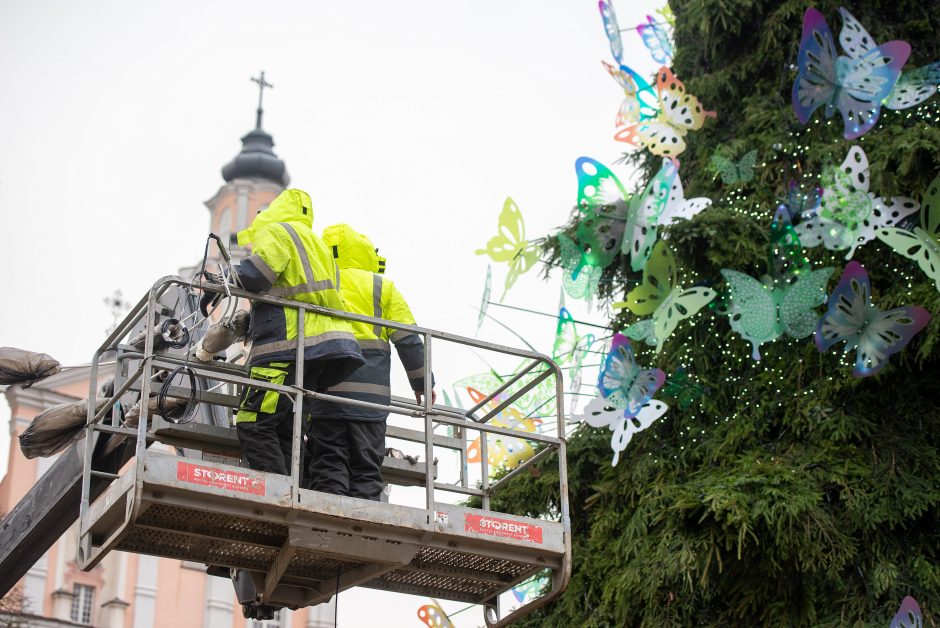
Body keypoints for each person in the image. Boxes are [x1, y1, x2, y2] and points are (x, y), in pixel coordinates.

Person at [207, 189, 364, 476]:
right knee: (286, 431)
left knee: (253, 423)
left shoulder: (275, 231)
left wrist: (226, 277)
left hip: (283, 347)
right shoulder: (316, 244)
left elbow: (257, 275)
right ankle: (292, 497)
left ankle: (275, 502)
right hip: (318, 354)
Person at [305, 223, 434, 500]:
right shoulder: (381, 287)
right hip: (370, 401)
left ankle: (328, 522)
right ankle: (359, 528)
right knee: (365, 468)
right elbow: (409, 339)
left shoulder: (318, 280)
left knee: (328, 463)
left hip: (326, 394)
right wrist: (423, 382)